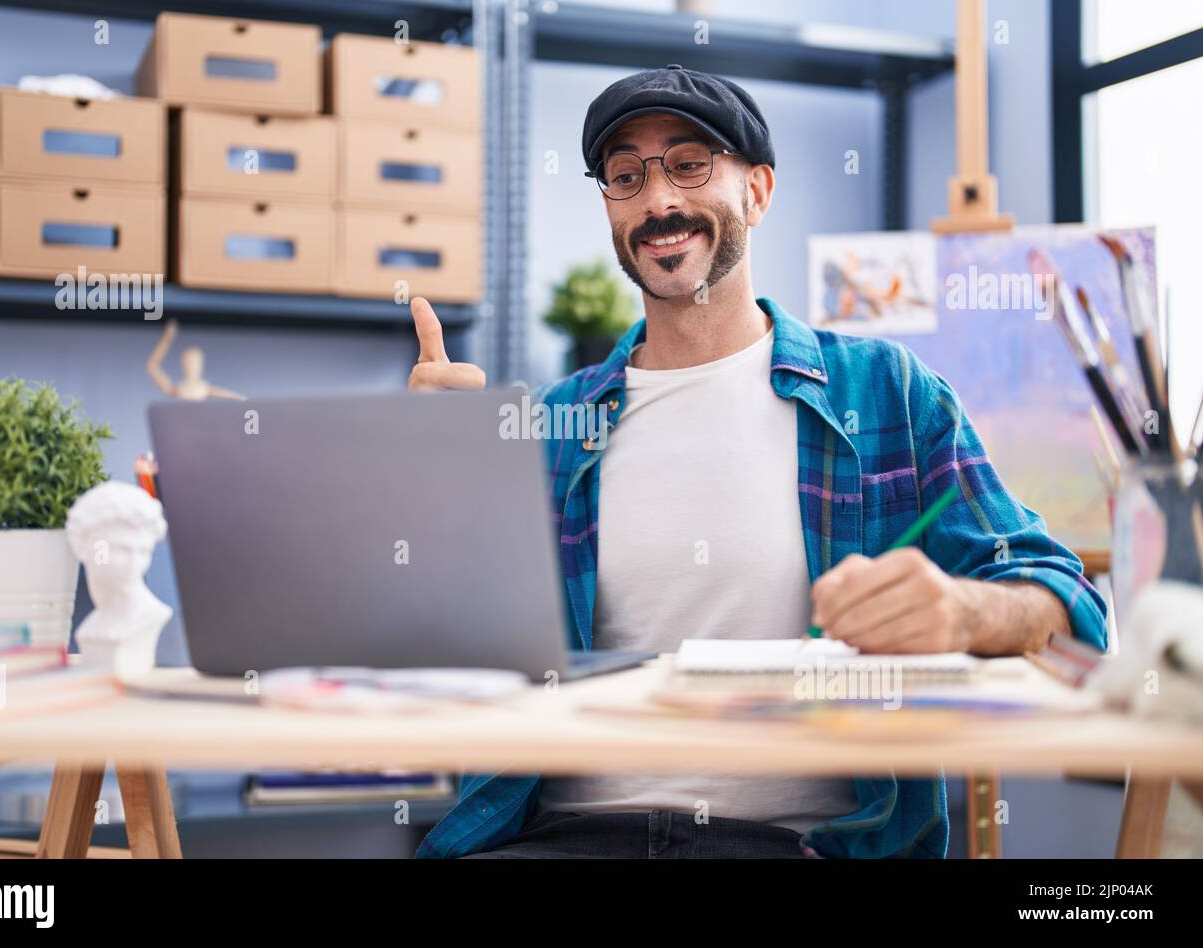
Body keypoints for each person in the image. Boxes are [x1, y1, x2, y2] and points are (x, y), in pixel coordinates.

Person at [408, 65, 1108, 859]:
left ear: (759, 191)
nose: (659, 201)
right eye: (626, 176)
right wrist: (440, 480)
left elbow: (1069, 603)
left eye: (690, 163)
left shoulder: (887, 395)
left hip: (795, 845)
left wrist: (964, 611)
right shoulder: (549, 426)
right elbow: (436, 652)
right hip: (564, 838)